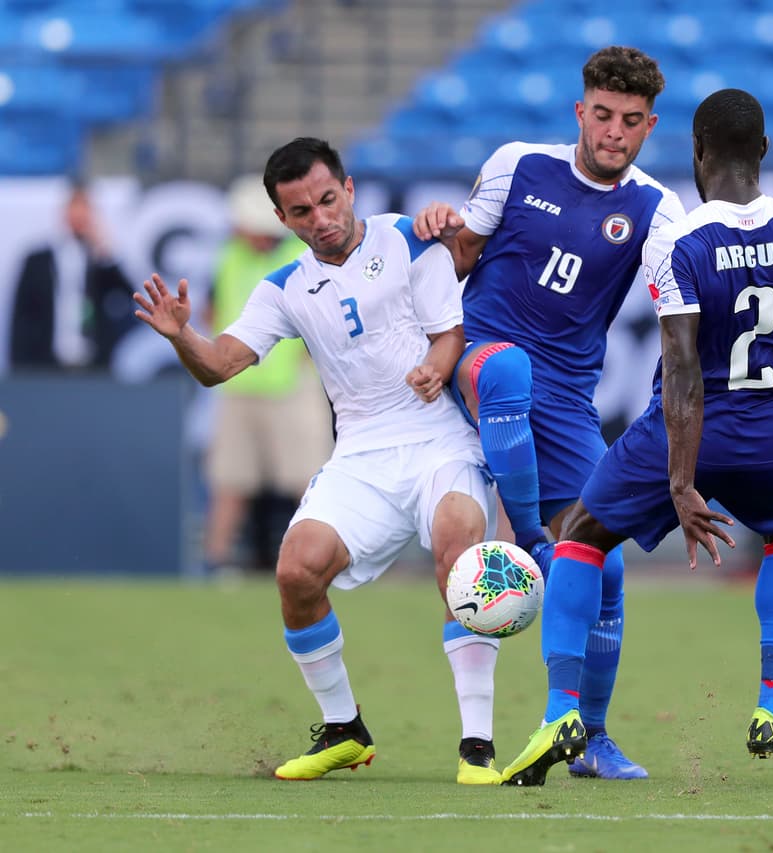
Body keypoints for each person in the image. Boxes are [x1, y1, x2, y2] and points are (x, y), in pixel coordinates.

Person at [497, 88, 773, 787]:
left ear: (697, 154)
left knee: (580, 535)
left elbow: (684, 369)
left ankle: (561, 713)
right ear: (765, 153)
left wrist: (682, 483)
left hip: (689, 429)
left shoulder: (681, 240)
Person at [133, 137, 504, 785]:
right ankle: (344, 728)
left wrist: (434, 368)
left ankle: (477, 743)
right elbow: (220, 365)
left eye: (327, 199)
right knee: (296, 570)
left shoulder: (408, 238)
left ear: (350, 188)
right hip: (360, 452)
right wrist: (181, 335)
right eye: (301, 211)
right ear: (283, 220)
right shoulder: (284, 288)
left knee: (458, 550)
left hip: (439, 439)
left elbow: (451, 332)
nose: (320, 218)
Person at [413, 45, 686, 781]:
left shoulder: (659, 208)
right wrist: (441, 230)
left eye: (631, 121)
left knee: (603, 562)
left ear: (649, 125)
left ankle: (587, 735)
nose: (613, 133)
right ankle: (533, 540)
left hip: (567, 395)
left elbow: (679, 311)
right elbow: (461, 254)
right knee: (508, 369)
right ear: (580, 111)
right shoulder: (519, 164)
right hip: (483, 357)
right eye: (602, 115)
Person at [202, 174, 332, 575]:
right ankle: (215, 562)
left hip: (291, 387)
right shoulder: (228, 256)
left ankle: (329, 560)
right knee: (230, 480)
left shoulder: (303, 258)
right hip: (239, 386)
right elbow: (212, 309)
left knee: (310, 484)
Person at [9, 182, 136, 370]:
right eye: (74, 208)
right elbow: (21, 316)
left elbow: (127, 294)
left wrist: (105, 250)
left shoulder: (99, 262)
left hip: (93, 366)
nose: (79, 216)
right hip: (44, 365)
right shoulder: (37, 261)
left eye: (84, 209)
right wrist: (19, 366)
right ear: (64, 212)